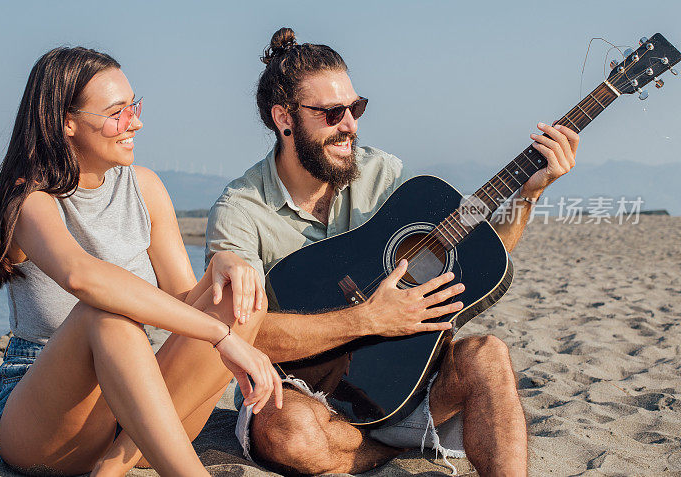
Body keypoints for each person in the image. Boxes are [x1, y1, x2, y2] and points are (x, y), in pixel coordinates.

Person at [205, 27, 580, 476]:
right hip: (299, 390)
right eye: (331, 113)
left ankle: (382, 444)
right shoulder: (241, 209)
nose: (350, 124)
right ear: (284, 117)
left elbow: (471, 257)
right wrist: (366, 319)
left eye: (355, 107)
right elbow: (236, 336)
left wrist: (528, 196)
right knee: (289, 432)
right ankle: (390, 448)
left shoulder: (383, 172)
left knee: (488, 354)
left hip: (404, 382)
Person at [0, 46, 283, 477]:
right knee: (106, 314)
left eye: (134, 105)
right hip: (51, 422)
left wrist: (222, 267)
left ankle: (114, 466)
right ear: (67, 122)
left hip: (147, 412)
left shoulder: (145, 187)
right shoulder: (29, 200)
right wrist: (219, 336)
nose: (136, 121)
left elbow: (180, 302)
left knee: (242, 290)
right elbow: (83, 277)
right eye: (117, 112)